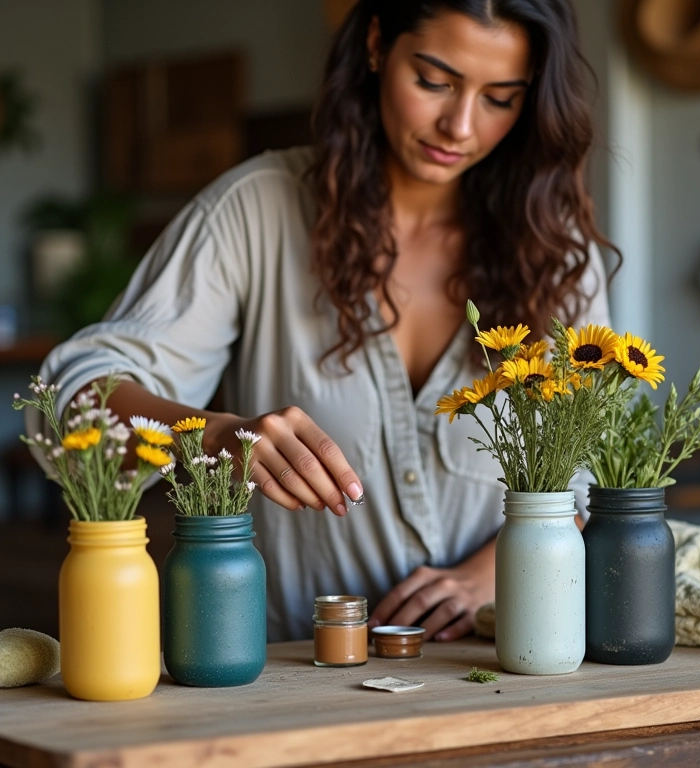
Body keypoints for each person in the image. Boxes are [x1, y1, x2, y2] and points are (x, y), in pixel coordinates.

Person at [30, 0, 616, 643]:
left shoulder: (558, 255)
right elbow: (68, 401)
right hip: (294, 685)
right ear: (374, 45)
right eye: (434, 81)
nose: (460, 125)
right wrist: (213, 437)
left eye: (501, 98)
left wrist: (490, 574)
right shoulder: (255, 212)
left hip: (501, 675)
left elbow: (591, 487)